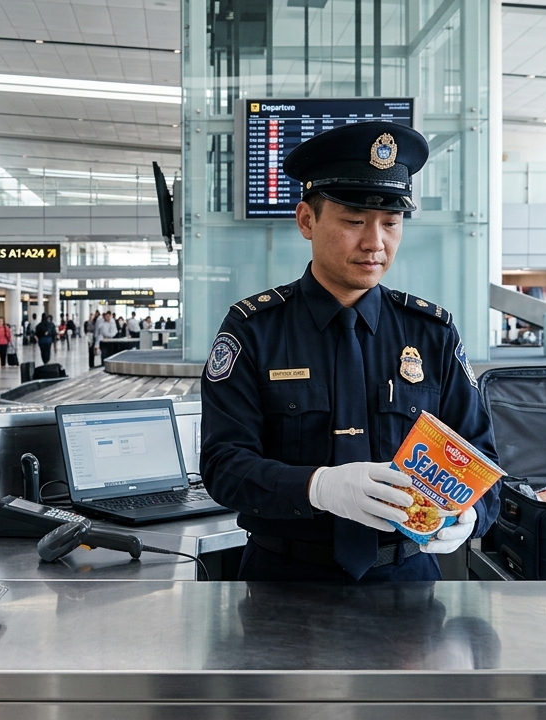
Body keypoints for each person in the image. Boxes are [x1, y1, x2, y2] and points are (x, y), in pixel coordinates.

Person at [200, 121, 498, 583]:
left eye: (391, 224)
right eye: (354, 221)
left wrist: (472, 515)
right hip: (283, 584)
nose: (375, 242)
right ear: (306, 220)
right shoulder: (253, 330)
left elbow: (482, 456)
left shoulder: (431, 333)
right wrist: (317, 487)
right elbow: (223, 466)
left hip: (408, 582)